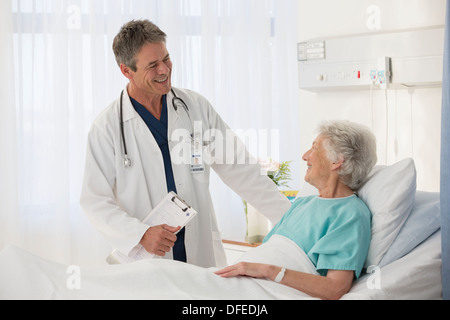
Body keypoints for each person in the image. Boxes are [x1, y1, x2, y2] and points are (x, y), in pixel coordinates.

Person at [80, 19, 291, 267]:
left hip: (197, 249)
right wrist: (140, 234)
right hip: (146, 258)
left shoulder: (194, 107)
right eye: (152, 65)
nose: (164, 70)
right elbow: (95, 200)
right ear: (126, 71)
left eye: (166, 59)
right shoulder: (107, 128)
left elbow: (241, 169)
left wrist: (292, 221)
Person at [215, 120, 377, 300]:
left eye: (314, 148)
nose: (305, 156)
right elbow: (269, 251)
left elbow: (335, 288)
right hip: (238, 282)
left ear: (337, 161)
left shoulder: (350, 214)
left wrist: (268, 270)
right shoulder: (302, 204)